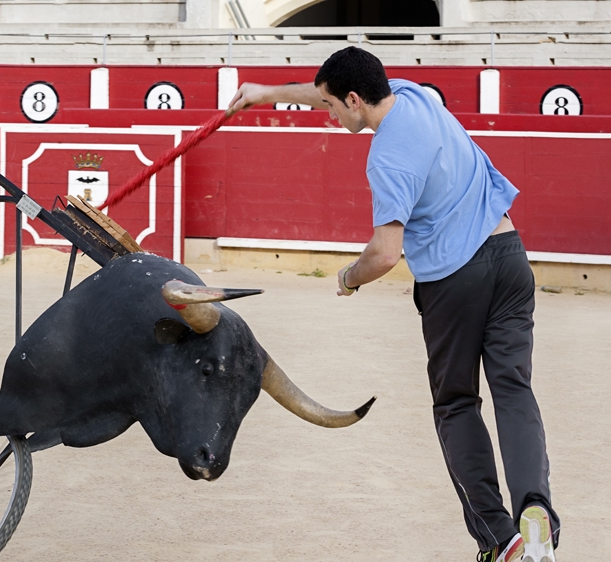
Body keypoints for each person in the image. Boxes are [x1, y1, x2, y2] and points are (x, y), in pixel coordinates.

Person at [228, 47, 559, 562]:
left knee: (456, 405)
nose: (331, 116)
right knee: (514, 390)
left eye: (334, 108)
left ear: (355, 100)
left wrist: (348, 278)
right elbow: (325, 89)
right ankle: (535, 512)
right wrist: (265, 94)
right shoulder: (413, 94)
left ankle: (500, 538)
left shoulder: (385, 158)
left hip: (457, 278)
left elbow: (385, 253)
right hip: (510, 257)